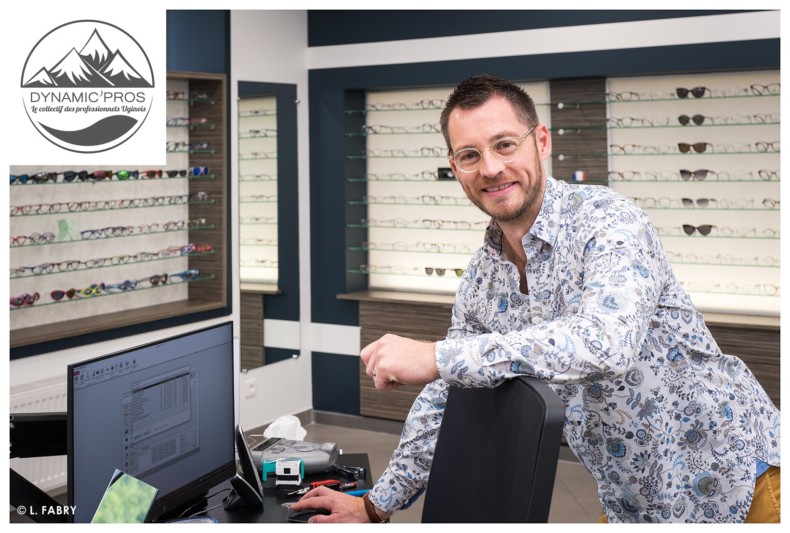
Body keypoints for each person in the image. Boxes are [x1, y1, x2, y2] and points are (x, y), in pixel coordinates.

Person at [290, 74, 781, 523]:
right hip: (636, 504)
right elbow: (447, 397)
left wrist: (439, 356)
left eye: (505, 144)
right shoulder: (483, 279)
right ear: (455, 168)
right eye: (469, 155)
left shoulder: (609, 221)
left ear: (540, 141)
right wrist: (375, 507)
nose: (492, 168)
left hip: (745, 486)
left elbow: (605, 341)